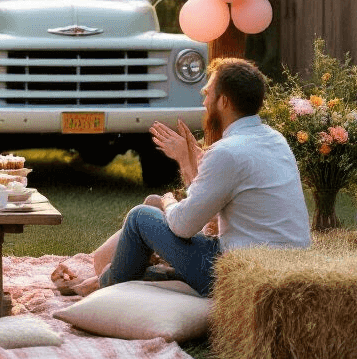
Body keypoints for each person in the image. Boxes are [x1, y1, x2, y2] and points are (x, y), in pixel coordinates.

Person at [51, 58, 310, 299]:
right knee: (153, 211)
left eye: (208, 94)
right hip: (282, 266)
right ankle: (111, 277)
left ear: (224, 102)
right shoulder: (275, 139)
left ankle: (103, 284)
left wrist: (167, 202)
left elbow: (183, 226)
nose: (204, 102)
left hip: (238, 273)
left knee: (140, 217)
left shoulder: (227, 152)